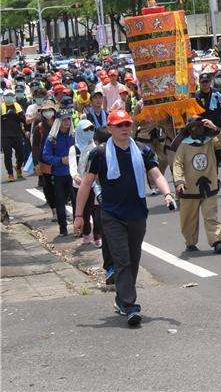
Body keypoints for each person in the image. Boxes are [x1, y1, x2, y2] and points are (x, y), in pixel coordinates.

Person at [74, 109, 175, 327]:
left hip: (137, 214)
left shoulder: (142, 150)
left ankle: (121, 300)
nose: (124, 129)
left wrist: (167, 193)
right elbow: (86, 184)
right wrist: (79, 215)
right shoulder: (100, 153)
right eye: (119, 125)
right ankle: (131, 306)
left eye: (127, 124)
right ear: (110, 128)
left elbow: (156, 173)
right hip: (112, 215)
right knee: (122, 260)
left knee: (134, 259)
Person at [173, 117, 221, 254]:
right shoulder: (184, 145)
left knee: (211, 215)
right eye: (193, 127)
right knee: (188, 219)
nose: (197, 129)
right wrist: (179, 181)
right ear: (189, 130)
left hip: (209, 186)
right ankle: (190, 242)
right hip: (189, 188)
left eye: (200, 126)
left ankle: (217, 241)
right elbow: (177, 164)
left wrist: (215, 128)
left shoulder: (210, 142)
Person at [43, 111, 76, 237]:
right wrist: (60, 160)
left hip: (73, 174)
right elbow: (46, 155)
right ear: (58, 122)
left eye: (68, 119)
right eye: (64, 120)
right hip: (58, 174)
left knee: (76, 201)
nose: (67, 122)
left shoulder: (74, 135)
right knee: (60, 201)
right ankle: (63, 227)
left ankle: (77, 226)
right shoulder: (52, 138)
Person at [69, 120, 102, 246]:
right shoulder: (74, 149)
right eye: (86, 130)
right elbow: (72, 166)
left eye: (91, 129)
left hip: (95, 185)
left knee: (97, 211)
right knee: (85, 212)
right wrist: (76, 176)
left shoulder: (96, 147)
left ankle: (98, 235)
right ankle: (87, 233)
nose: (89, 132)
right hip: (79, 185)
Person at [2, 89, 26, 181]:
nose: (9, 97)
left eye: (11, 95)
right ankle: (10, 173)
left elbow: (23, 120)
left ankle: (18, 167)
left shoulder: (17, 107)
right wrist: (6, 115)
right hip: (5, 135)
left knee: (21, 153)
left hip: (17, 134)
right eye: (7, 96)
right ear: (4, 97)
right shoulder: (1, 107)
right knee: (8, 155)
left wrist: (13, 114)